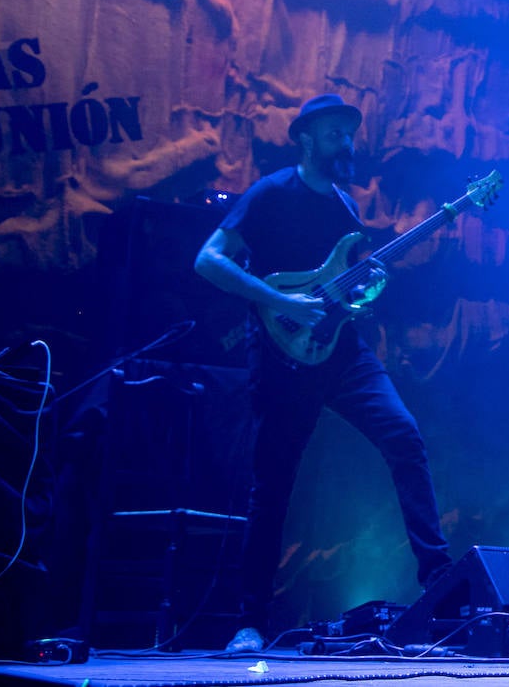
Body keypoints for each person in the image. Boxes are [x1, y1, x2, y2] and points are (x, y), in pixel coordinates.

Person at [194, 94, 452, 652]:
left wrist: (368, 288)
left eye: (351, 135)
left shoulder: (344, 208)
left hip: (341, 354)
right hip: (282, 356)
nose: (347, 145)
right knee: (274, 487)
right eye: (336, 133)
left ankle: (439, 585)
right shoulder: (269, 194)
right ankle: (250, 621)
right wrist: (276, 300)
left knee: (404, 436)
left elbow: (350, 290)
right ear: (307, 138)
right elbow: (208, 259)